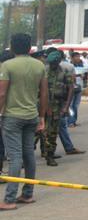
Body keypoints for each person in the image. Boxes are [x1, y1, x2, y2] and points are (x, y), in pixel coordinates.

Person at [0, 33, 48, 210]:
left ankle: (9, 199)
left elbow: (2, 93)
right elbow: (44, 93)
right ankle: (27, 194)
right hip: (31, 115)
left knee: (14, 157)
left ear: (12, 47)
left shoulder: (7, 65)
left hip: (12, 116)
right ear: (30, 48)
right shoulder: (39, 65)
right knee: (28, 155)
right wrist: (42, 116)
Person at [41, 50, 75, 166]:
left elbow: (71, 89)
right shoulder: (43, 71)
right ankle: (29, 156)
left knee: (52, 132)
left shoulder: (64, 72)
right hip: (41, 105)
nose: (53, 66)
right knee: (36, 132)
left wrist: (66, 107)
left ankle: (50, 155)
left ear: (59, 61)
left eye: (55, 63)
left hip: (56, 105)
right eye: (51, 63)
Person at [68, 52, 88, 127]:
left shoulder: (81, 65)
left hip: (79, 87)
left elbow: (85, 75)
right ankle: (70, 121)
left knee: (76, 105)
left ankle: (74, 121)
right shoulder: (69, 66)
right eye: (76, 57)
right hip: (71, 88)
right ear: (72, 58)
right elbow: (69, 76)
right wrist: (78, 75)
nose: (78, 58)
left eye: (79, 57)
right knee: (70, 105)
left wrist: (84, 76)